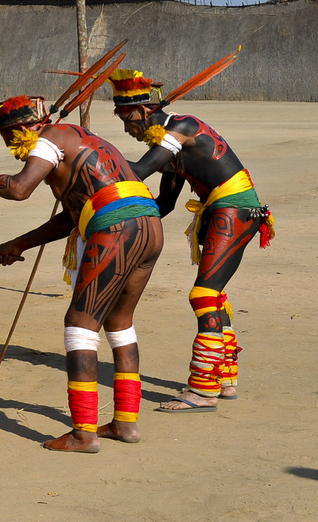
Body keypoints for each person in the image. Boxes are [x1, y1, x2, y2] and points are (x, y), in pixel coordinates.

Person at [0, 95, 163, 453]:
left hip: (116, 229)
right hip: (149, 225)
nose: (14, 151)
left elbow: (19, 188)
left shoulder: (50, 138)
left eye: (9, 140)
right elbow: (73, 216)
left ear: (23, 130)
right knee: (119, 322)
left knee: (80, 325)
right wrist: (20, 243)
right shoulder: (81, 139)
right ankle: (125, 423)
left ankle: (83, 433)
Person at [107, 69, 275, 412]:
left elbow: (137, 171)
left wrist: (95, 155)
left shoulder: (179, 128)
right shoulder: (167, 144)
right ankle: (224, 378)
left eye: (127, 120)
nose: (127, 129)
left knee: (204, 294)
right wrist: (124, 220)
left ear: (142, 112)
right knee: (212, 293)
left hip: (234, 210)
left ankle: (203, 389)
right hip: (222, 211)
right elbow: (164, 203)